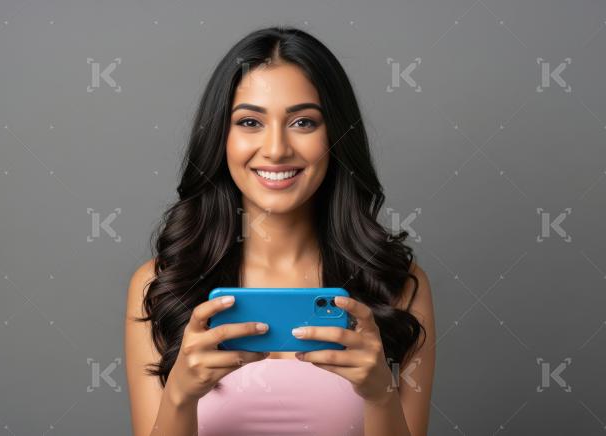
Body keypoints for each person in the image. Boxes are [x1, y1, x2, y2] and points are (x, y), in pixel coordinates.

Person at [125, 26, 435, 436]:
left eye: (303, 122)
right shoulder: (161, 284)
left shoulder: (397, 285)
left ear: (336, 137)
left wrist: (380, 395)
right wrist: (180, 395)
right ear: (221, 137)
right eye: (250, 121)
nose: (276, 149)